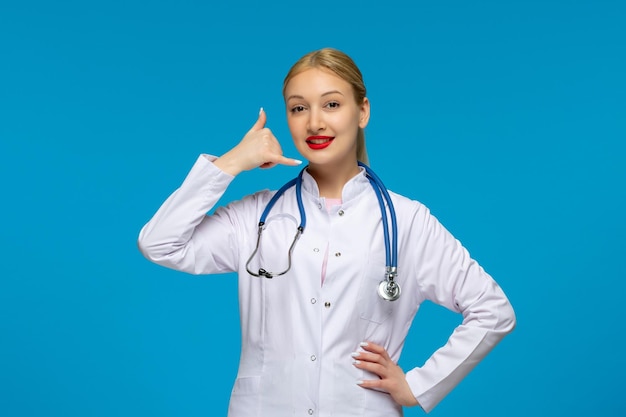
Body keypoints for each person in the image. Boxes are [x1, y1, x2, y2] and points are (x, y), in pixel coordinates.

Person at [137, 47, 516, 416]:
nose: (314, 122)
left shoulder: (407, 221)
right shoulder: (256, 216)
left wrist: (419, 385)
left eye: (331, 104)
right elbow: (159, 243)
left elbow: (493, 310)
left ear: (362, 111)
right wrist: (232, 161)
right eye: (299, 108)